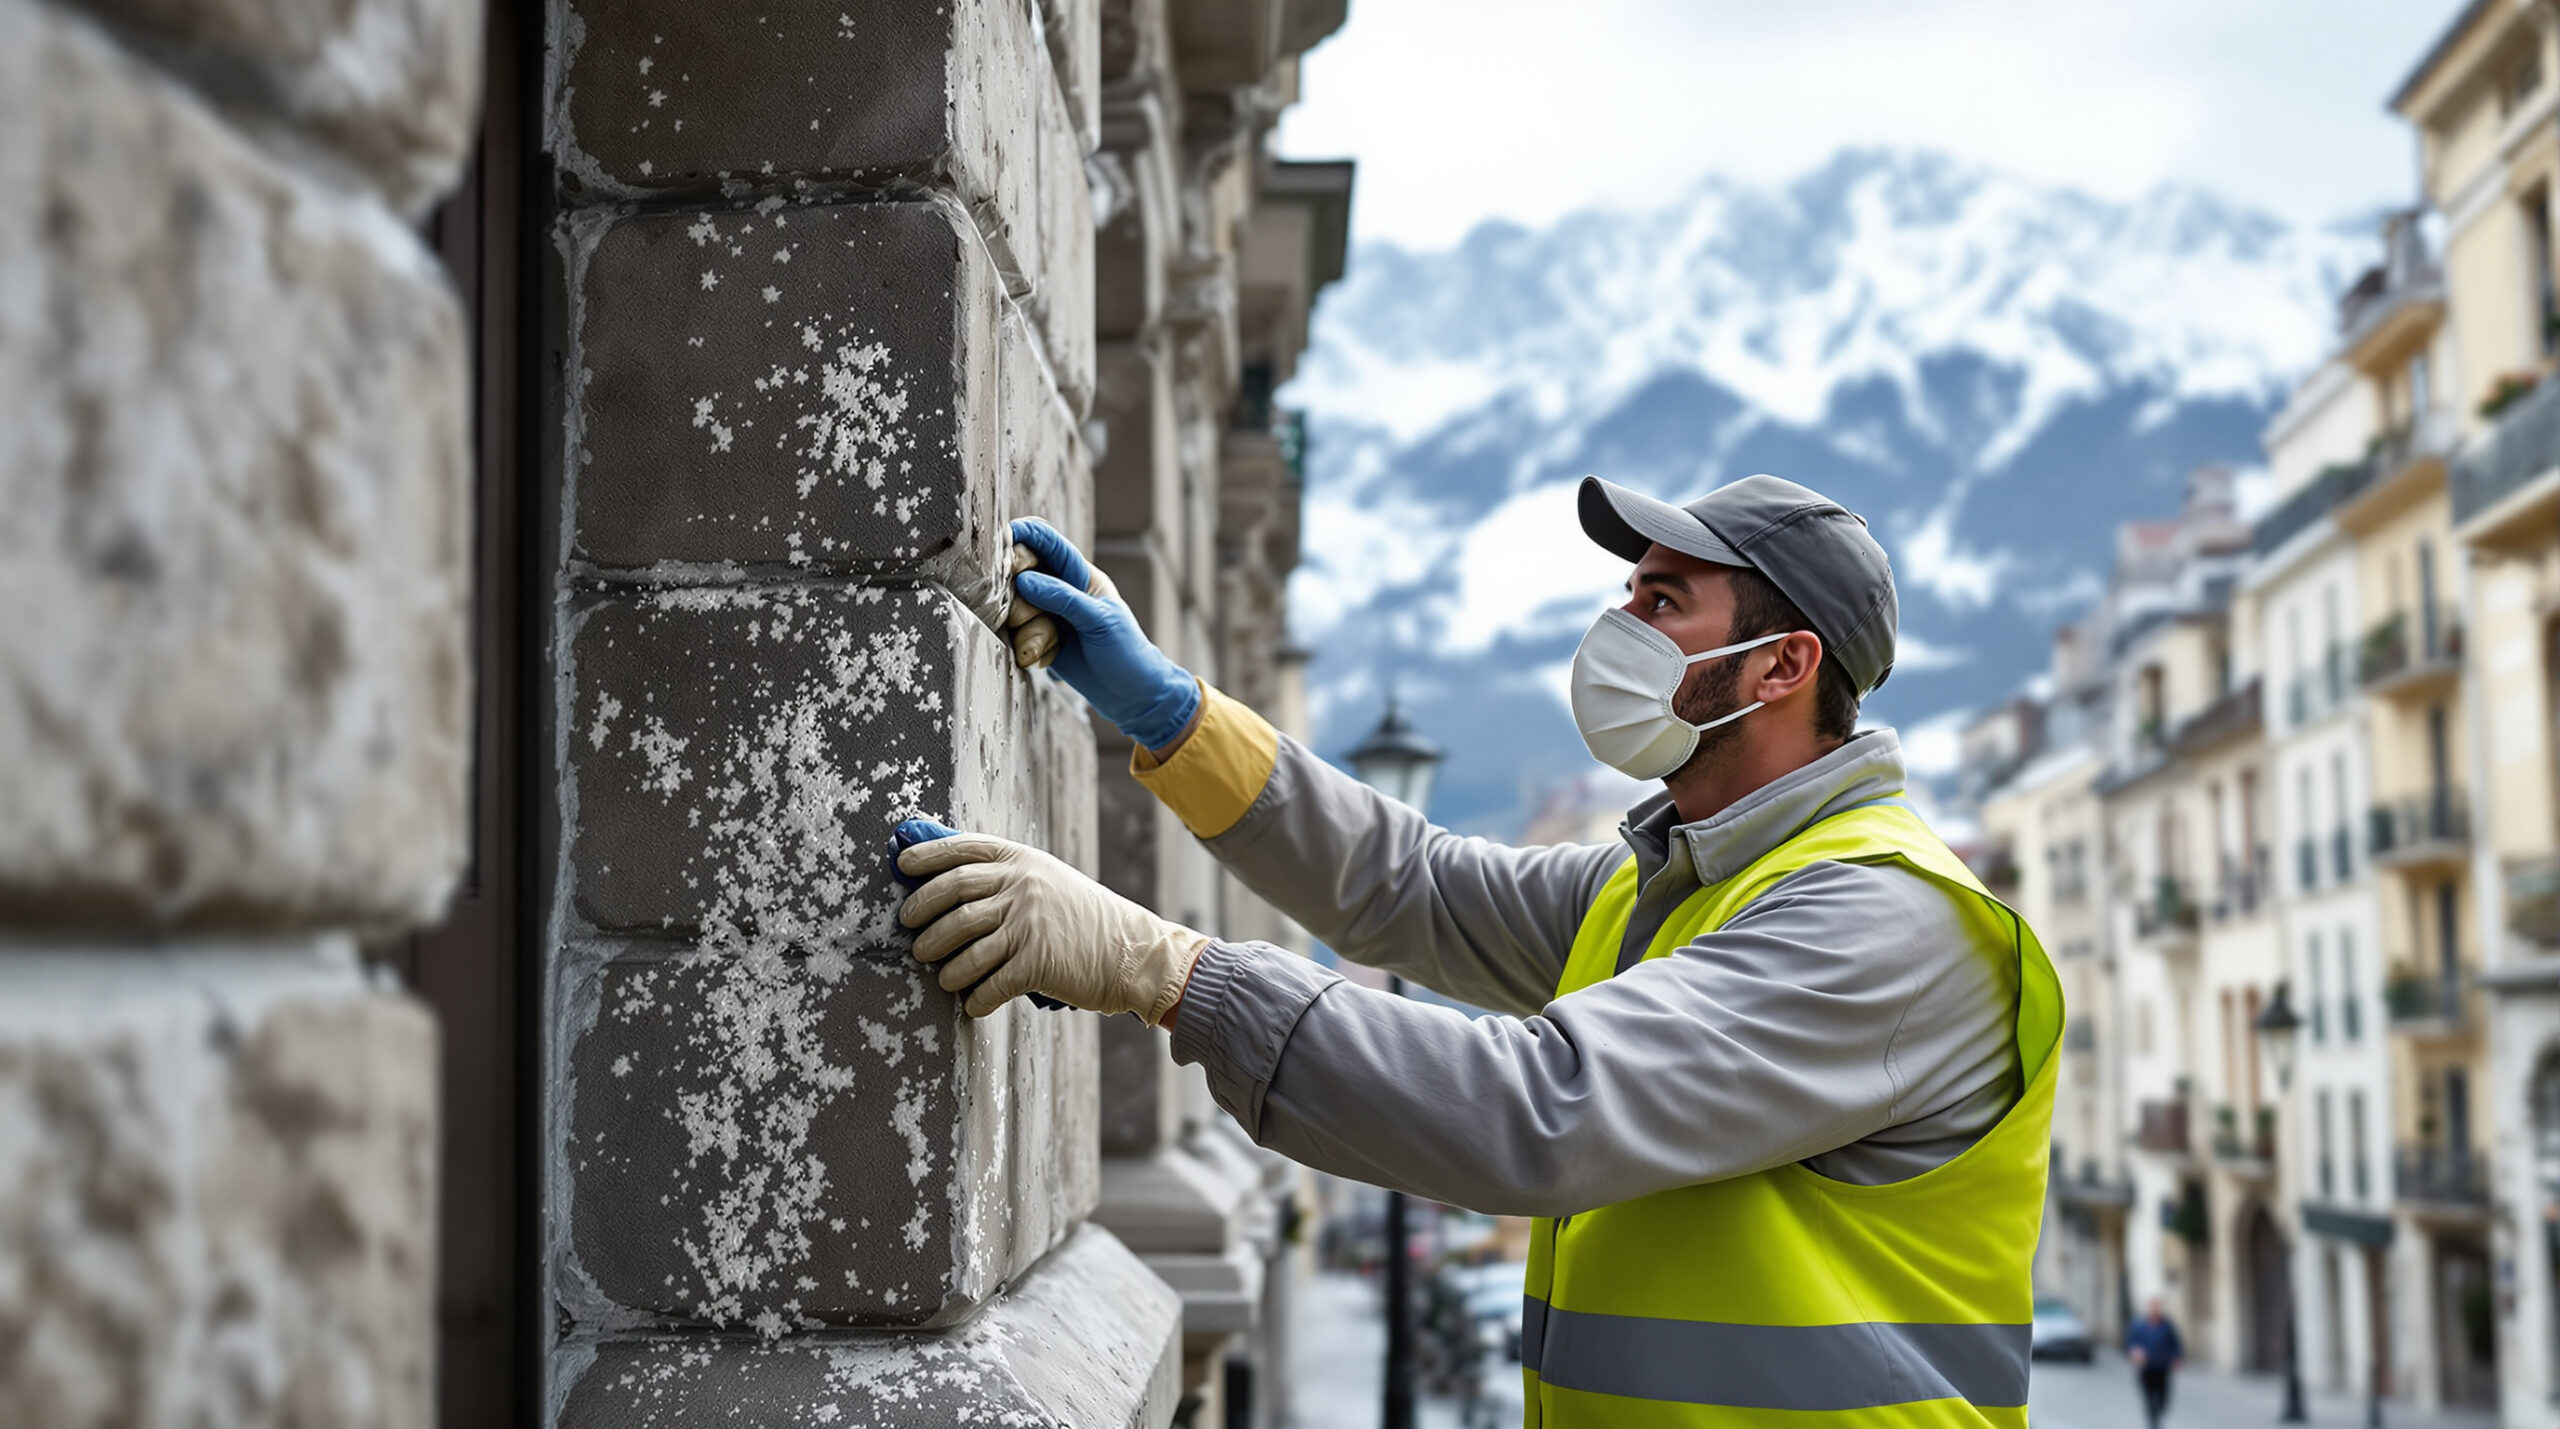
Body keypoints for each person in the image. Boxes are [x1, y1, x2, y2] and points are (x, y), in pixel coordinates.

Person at [894, 474, 2063, 1427]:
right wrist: (1175, 717)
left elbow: (1540, 1114)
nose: (1619, 628)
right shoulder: (1676, 880)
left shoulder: (1878, 918)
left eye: (1664, 602)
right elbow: (1412, 887)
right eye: (1628, 593)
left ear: (1781, 667)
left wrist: (1164, 971)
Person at [2126, 1298, 2186, 1429]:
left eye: (2157, 1307)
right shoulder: (2139, 1326)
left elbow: (2175, 1344)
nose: (2155, 1310)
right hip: (2146, 1368)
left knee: (2163, 1399)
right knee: (2149, 1399)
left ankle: (2158, 1414)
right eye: (2153, 1307)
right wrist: (2135, 1352)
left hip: (2162, 1368)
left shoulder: (2167, 1325)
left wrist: (2177, 1357)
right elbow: (2132, 1343)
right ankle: (2153, 1424)